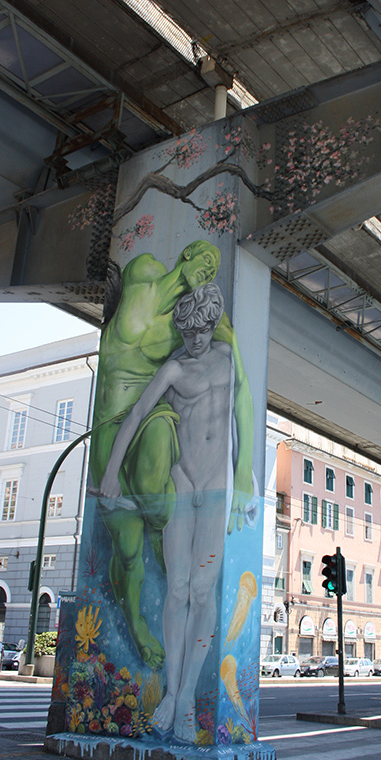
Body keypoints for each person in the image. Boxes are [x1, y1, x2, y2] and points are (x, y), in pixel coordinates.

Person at [89, 242, 254, 670]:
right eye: (205, 260)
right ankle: (144, 628)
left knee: (162, 434)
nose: (209, 269)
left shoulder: (212, 332)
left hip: (193, 457)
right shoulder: (143, 273)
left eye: (215, 267)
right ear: (186, 256)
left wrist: (244, 473)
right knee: (134, 553)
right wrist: (109, 474)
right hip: (115, 418)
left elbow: (242, 399)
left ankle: (182, 700)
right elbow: (138, 408)